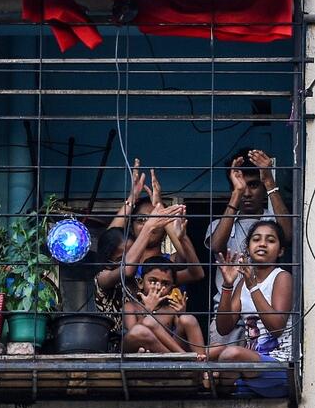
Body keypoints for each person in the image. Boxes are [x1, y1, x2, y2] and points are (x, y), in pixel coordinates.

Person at [204, 148, 292, 346]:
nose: (248, 192)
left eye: (253, 185)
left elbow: (287, 235)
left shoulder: (271, 222)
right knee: (219, 369)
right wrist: (237, 193)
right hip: (227, 313)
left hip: (265, 317)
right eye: (242, 185)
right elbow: (217, 246)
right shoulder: (220, 224)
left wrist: (269, 181)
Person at [207, 220, 293, 396]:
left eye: (270, 240)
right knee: (212, 350)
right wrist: (228, 285)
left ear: (281, 250)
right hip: (252, 367)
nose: (262, 244)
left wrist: (253, 287)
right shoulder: (243, 283)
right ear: (248, 247)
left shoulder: (282, 277)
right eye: (256, 239)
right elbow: (223, 328)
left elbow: (276, 328)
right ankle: (224, 384)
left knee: (230, 355)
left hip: (278, 367)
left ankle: (225, 383)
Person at [95, 197, 184, 338]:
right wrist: (148, 224)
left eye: (131, 255)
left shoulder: (142, 280)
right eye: (121, 258)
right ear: (108, 260)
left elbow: (194, 269)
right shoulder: (103, 277)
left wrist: (161, 214)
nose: (130, 259)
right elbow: (110, 240)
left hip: (148, 343)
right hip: (115, 349)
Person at [123, 256, 204, 353]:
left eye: (165, 284)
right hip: (139, 348)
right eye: (153, 281)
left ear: (171, 288)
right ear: (140, 283)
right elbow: (133, 335)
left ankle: (198, 359)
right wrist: (147, 310)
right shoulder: (131, 307)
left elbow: (182, 336)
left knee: (188, 318)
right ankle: (181, 356)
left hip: (166, 349)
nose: (158, 287)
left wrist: (181, 314)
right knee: (146, 324)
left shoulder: (170, 309)